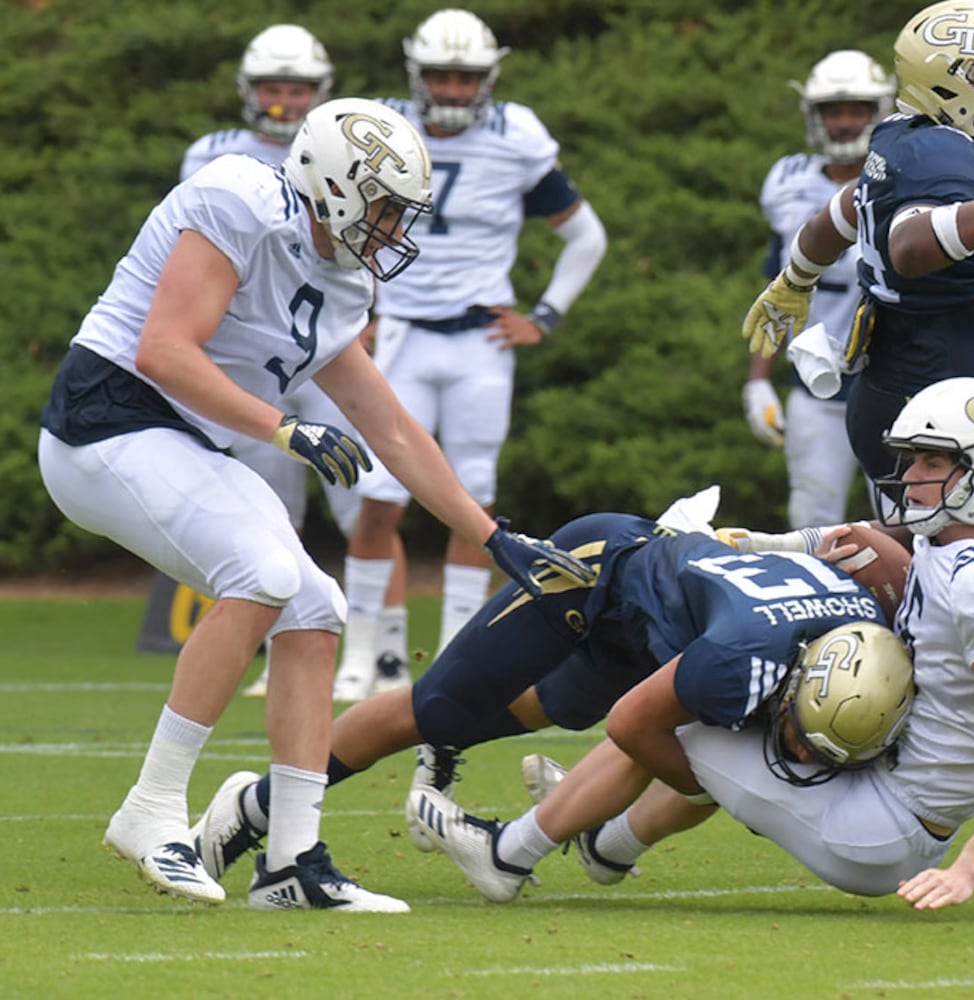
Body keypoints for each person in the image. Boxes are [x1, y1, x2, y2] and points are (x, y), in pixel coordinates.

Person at [37, 97, 592, 911]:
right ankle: (153, 805)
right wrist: (284, 427)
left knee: (315, 606)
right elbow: (163, 348)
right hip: (104, 423)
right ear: (336, 184)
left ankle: (291, 861)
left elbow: (393, 428)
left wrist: (494, 536)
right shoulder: (238, 199)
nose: (396, 229)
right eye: (386, 207)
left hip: (183, 444)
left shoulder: (339, 279)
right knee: (261, 571)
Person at [417, 378, 974, 907]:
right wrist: (754, 541)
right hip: (892, 776)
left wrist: (966, 874)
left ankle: (509, 854)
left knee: (683, 706)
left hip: (880, 828)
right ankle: (607, 843)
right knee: (742, 701)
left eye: (933, 463)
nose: (911, 477)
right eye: (914, 459)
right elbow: (859, 539)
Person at [188, 512, 900, 893]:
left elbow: (849, 543)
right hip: (595, 567)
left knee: (549, 710)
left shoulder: (860, 639)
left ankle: (503, 793)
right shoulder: (741, 661)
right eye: (809, 735)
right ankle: (252, 808)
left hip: (654, 620)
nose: (803, 749)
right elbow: (638, 728)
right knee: (434, 711)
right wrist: (707, 783)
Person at [740, 0, 974, 518]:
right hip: (934, 404)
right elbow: (910, 248)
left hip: (900, 392)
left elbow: (848, 206)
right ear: (951, 87)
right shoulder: (949, 157)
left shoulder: (904, 135)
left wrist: (797, 277)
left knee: (928, 562)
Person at [333, 8, 608, 702]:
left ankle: (455, 655)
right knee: (376, 499)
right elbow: (332, 221)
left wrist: (543, 317)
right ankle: (361, 656)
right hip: (398, 331)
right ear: (415, 76)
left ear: (487, 79)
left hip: (480, 340)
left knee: (474, 501)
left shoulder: (515, 137)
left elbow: (586, 237)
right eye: (441, 76)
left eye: (465, 76)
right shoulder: (378, 128)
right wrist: (354, 311)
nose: (453, 89)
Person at [180, 24, 403, 699]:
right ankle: (288, 647)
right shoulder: (215, 157)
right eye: (273, 88)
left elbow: (372, 243)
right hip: (257, 357)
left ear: (320, 93)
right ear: (250, 92)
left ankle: (384, 654)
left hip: (325, 347)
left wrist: (362, 326)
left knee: (363, 500)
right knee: (269, 506)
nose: (282, 101)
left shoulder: (351, 146)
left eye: (296, 89)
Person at [743, 50, 894, 529]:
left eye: (857, 110)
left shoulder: (904, 179)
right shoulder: (787, 181)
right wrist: (758, 377)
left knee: (905, 520)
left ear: (880, 111)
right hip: (813, 383)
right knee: (811, 519)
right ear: (816, 115)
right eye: (835, 110)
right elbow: (776, 287)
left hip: (893, 378)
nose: (845, 122)